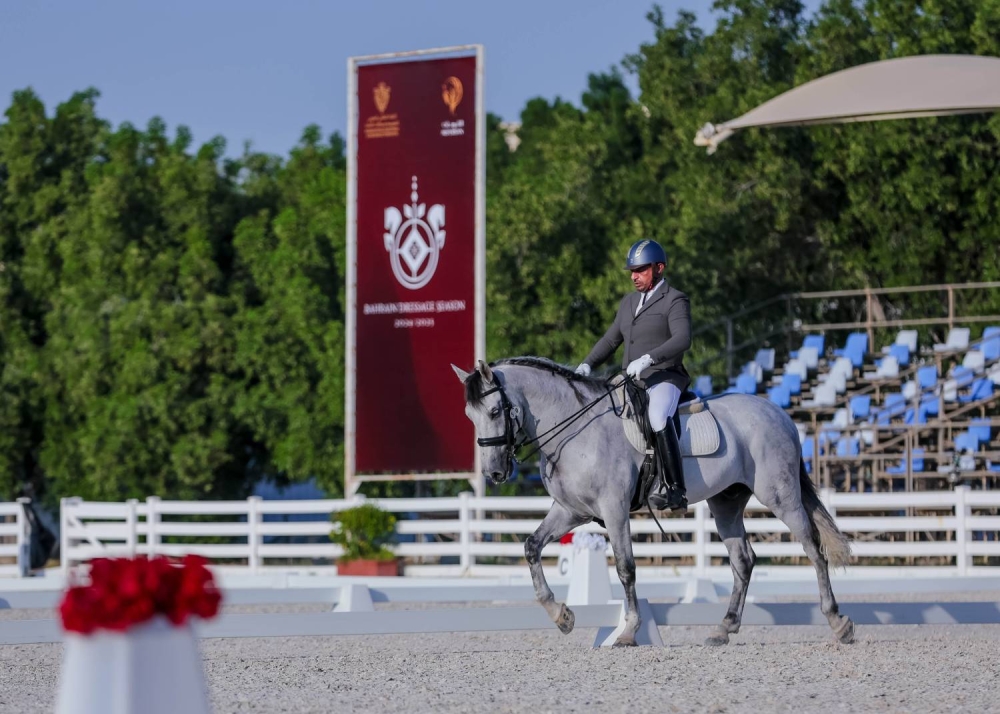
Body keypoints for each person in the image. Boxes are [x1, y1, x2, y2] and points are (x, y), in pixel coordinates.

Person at [575, 239, 692, 511]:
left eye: (640, 270)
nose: (633, 276)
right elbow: (610, 340)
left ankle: (676, 489)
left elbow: (683, 339)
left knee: (658, 415)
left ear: (659, 268)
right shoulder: (628, 303)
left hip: (665, 376)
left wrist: (650, 358)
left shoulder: (674, 299)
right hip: (632, 380)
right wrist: (587, 364)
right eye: (631, 271)